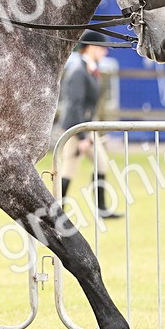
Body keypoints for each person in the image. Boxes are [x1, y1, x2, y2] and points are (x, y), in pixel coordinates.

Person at [58, 30, 119, 218]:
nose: (105, 53)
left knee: (101, 164)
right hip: (75, 127)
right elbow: (74, 106)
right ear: (91, 47)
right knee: (69, 169)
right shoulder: (78, 73)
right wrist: (82, 137)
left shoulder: (91, 70)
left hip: (87, 126)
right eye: (102, 48)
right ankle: (57, 213)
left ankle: (101, 209)